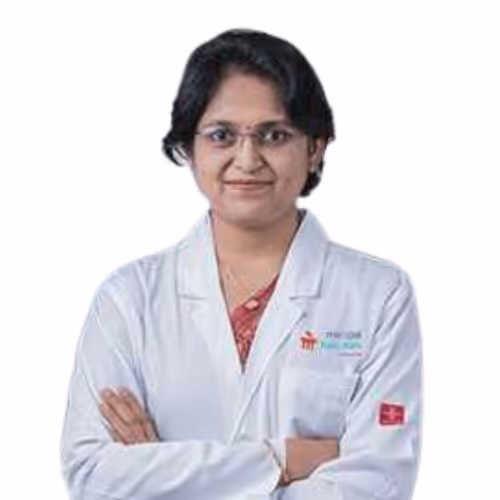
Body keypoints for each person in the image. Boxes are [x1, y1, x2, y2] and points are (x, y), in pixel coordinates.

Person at [60, 28, 422, 500]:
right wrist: (280, 458)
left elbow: (379, 482)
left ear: (315, 148)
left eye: (275, 135)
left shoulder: (378, 295)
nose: (247, 159)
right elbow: (92, 473)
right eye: (222, 136)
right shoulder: (128, 299)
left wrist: (160, 471)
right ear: (188, 149)